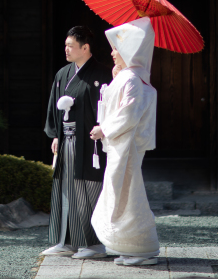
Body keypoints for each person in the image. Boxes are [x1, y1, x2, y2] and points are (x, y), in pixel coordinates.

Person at [90, 17, 161, 266]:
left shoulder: (131, 78)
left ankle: (142, 247)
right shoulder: (130, 75)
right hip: (124, 143)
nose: (112, 52)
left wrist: (104, 129)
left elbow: (129, 113)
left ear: (129, 51)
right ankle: (131, 246)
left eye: (117, 48)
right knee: (123, 192)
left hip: (126, 143)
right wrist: (114, 77)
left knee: (127, 192)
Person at [42, 26, 113, 259]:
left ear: (85, 47)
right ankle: (66, 241)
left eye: (71, 45)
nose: (66, 49)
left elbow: (110, 106)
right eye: (65, 45)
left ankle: (93, 244)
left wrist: (104, 127)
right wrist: (55, 135)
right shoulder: (63, 73)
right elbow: (54, 106)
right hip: (66, 140)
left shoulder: (102, 74)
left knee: (87, 189)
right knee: (65, 189)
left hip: (90, 142)